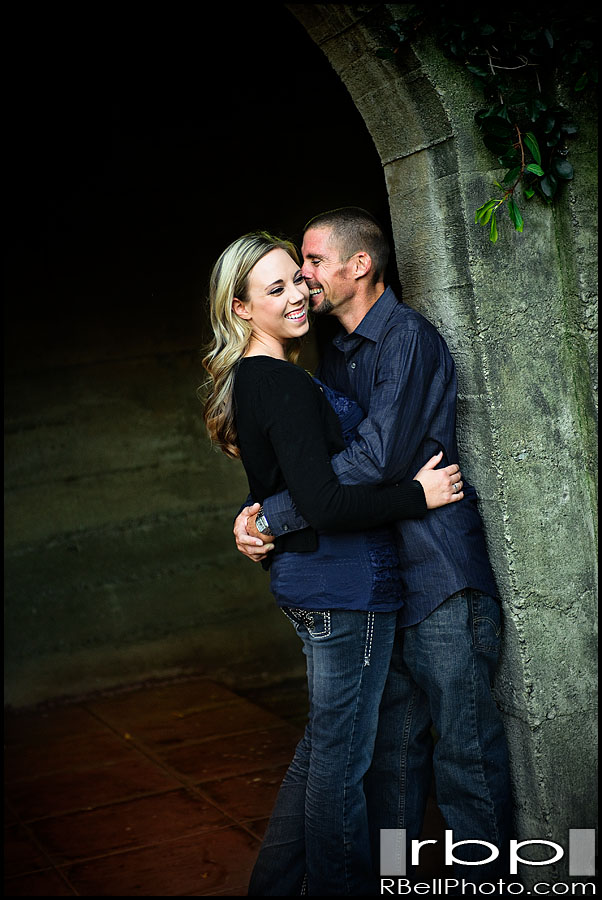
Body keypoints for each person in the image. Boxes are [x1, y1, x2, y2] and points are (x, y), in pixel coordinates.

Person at [234, 208, 513, 883]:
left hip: (440, 574)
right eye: (287, 275)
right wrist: (269, 510)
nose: (303, 277)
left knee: (465, 763)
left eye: (312, 262)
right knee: (387, 763)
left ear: (359, 266)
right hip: (380, 582)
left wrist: (272, 517)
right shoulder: (330, 353)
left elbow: (375, 460)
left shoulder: (406, 340)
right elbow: (316, 467)